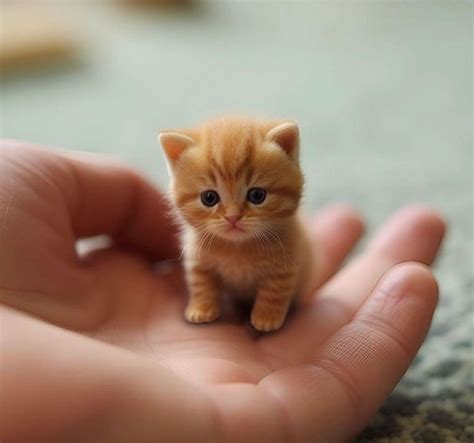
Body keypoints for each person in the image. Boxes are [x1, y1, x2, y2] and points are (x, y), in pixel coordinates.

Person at [0, 140, 445, 443]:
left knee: (278, 283)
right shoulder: (201, 240)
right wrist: (205, 299)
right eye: (210, 199)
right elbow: (200, 271)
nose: (232, 215)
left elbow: (282, 276)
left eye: (255, 195)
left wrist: (272, 306)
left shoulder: (282, 241)